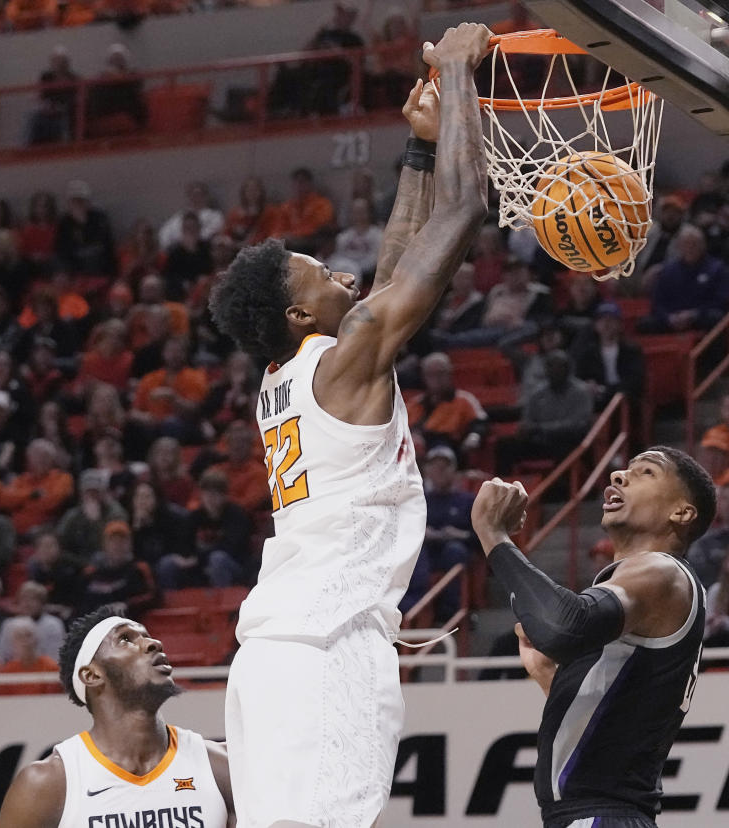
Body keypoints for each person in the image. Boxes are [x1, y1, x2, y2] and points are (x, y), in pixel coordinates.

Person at [206, 26, 491, 828]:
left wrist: (420, 148)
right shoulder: (341, 361)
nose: (343, 272)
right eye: (321, 273)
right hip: (325, 648)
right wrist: (461, 74)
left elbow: (394, 274)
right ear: (298, 313)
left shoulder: (291, 376)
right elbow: (465, 212)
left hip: (274, 653)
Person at [471, 446, 715, 828]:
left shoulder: (660, 571)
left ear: (681, 513)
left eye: (647, 472)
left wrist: (493, 533)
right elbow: (624, 711)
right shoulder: (647, 587)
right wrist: (554, 678)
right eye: (624, 469)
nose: (619, 476)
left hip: (601, 815)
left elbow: (564, 626)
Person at [0, 606, 232, 827]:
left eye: (147, 636)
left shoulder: (220, 765)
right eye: (126, 639)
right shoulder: (46, 785)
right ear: (91, 675)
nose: (153, 643)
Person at [401, 445, 475, 618]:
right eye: (434, 467)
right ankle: (411, 608)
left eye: (444, 467)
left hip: (456, 551)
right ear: (427, 471)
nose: (439, 471)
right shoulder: (419, 501)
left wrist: (460, 534)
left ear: (454, 470)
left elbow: (481, 536)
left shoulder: (468, 500)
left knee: (454, 551)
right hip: (427, 551)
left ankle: (451, 612)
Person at [641, 225, 729, 333]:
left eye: (694, 244)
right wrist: (668, 317)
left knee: (715, 317)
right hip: (673, 319)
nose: (690, 248)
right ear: (679, 247)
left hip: (700, 317)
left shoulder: (717, 269)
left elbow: (721, 301)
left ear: (703, 245)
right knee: (645, 323)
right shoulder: (668, 270)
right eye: (686, 244)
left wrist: (694, 314)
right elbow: (657, 302)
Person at [406, 351, 488, 458]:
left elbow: (480, 423)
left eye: (440, 373)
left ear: (450, 374)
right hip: (415, 449)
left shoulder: (464, 400)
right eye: (431, 374)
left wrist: (474, 437)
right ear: (424, 377)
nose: (436, 379)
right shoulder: (415, 403)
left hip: (448, 447)